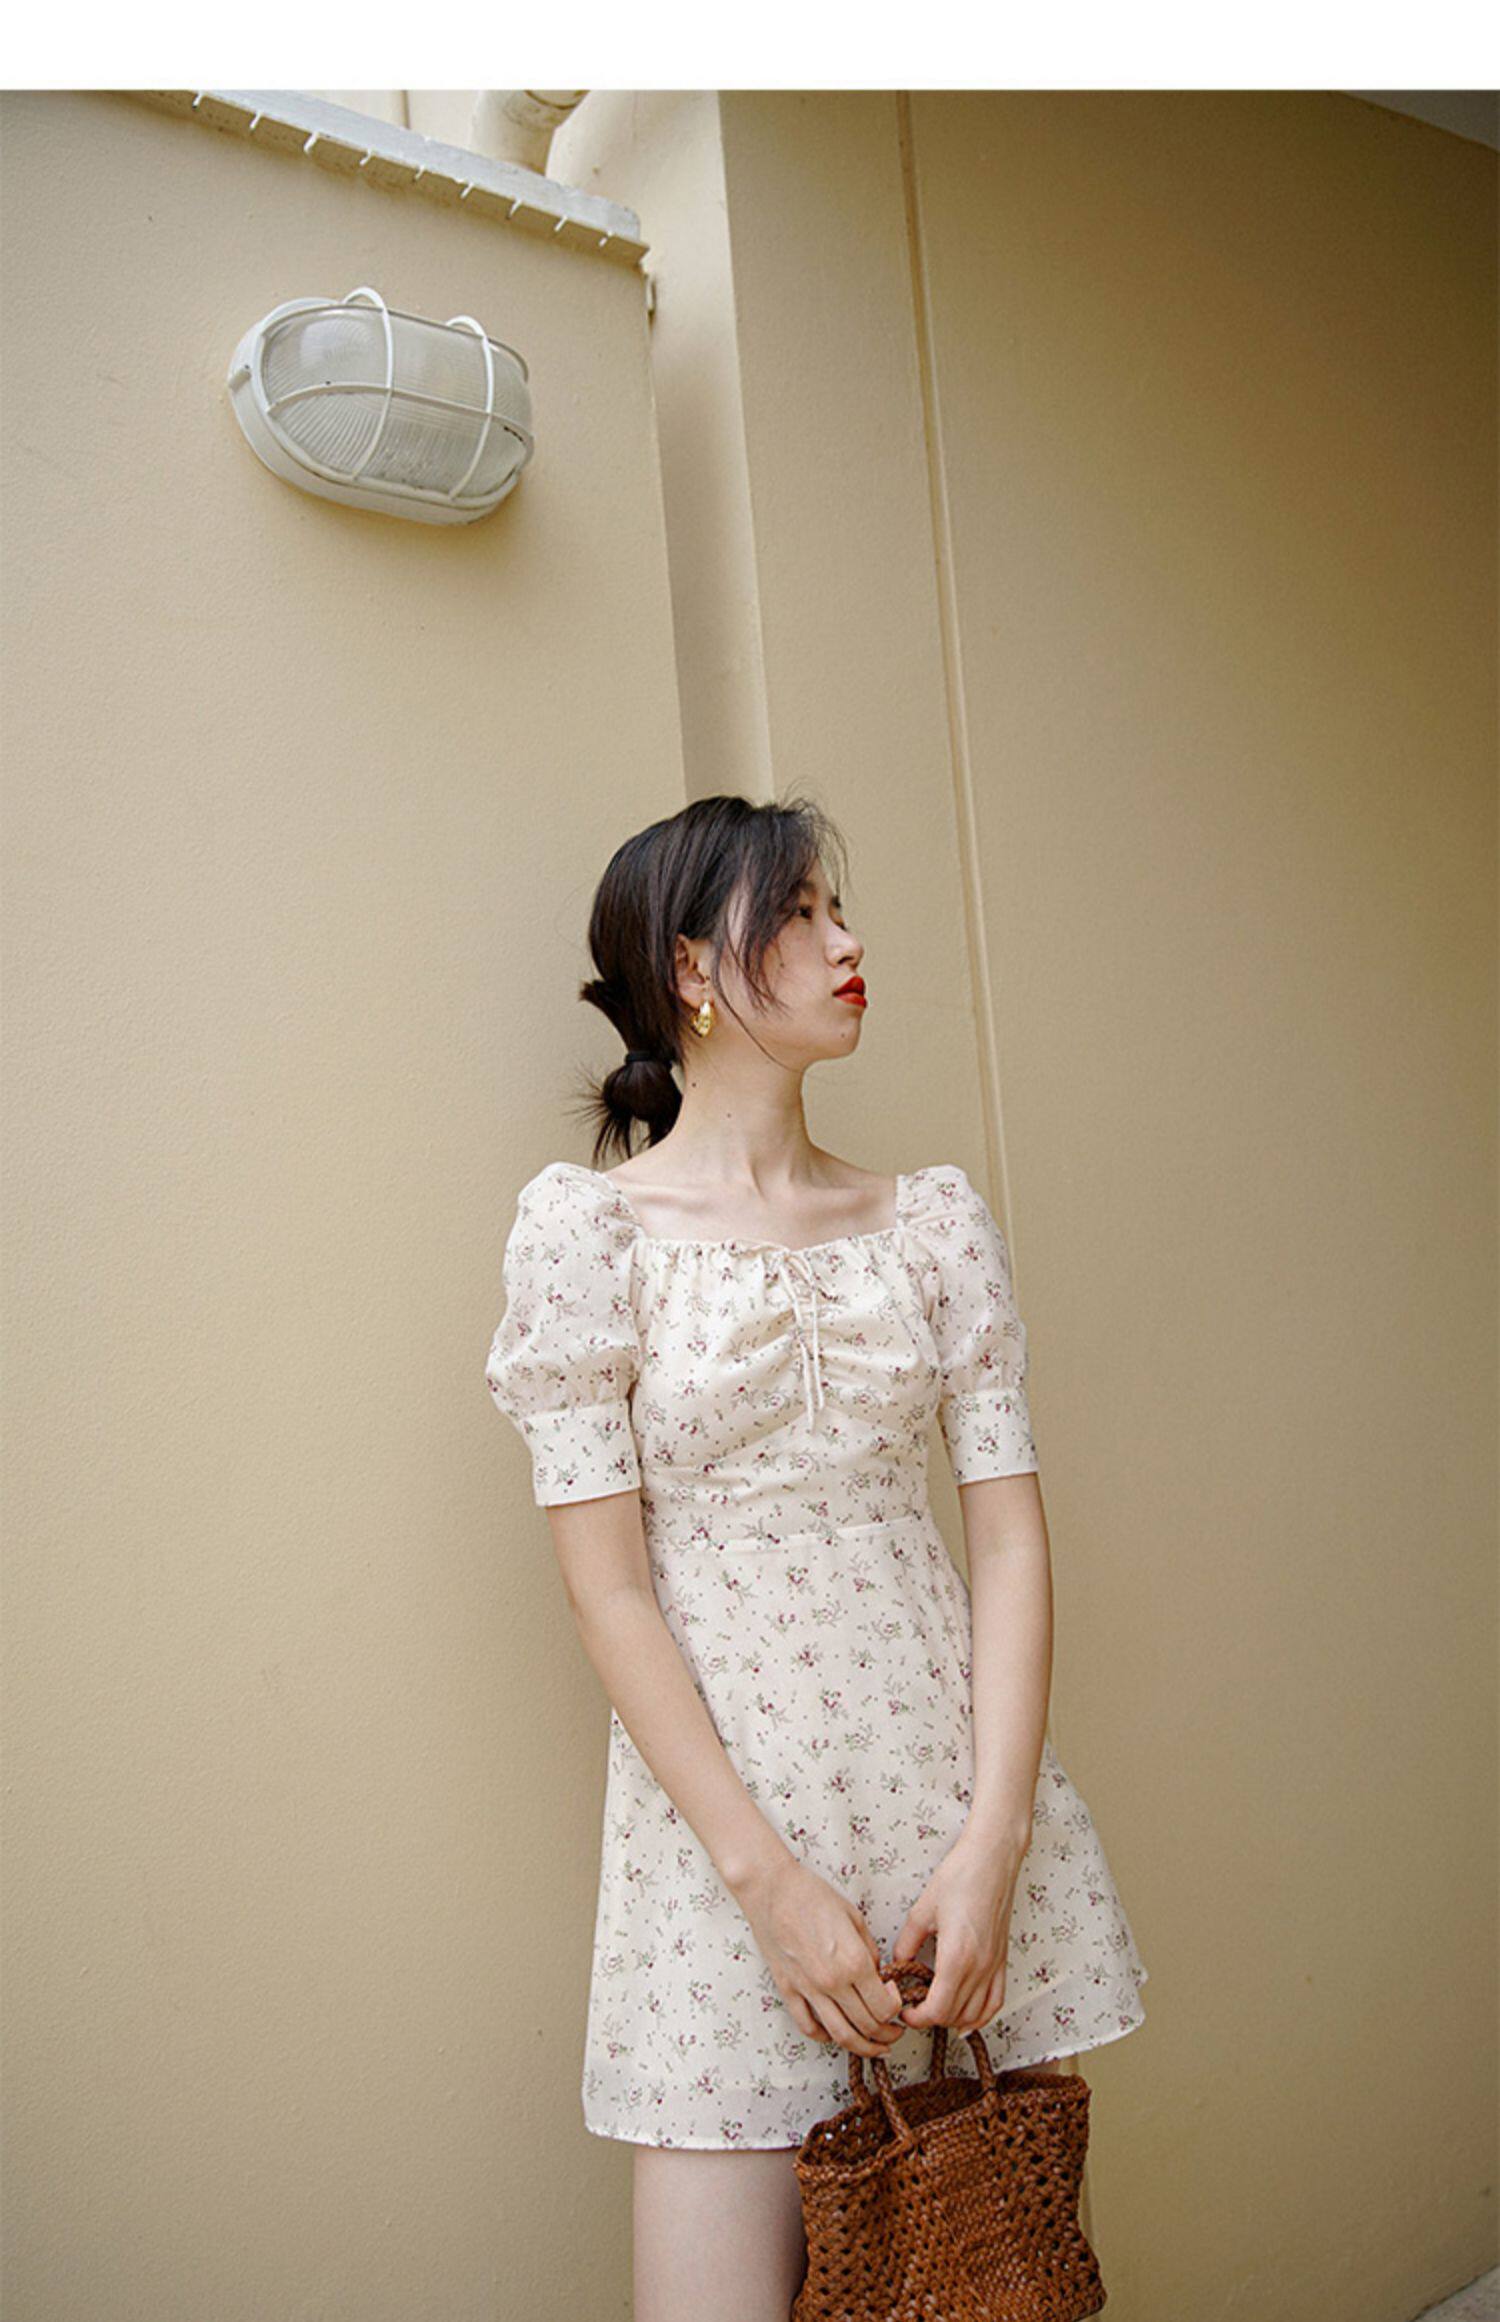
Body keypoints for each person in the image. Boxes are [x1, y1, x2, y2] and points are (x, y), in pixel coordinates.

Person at [484, 793, 1147, 2320]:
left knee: (981, 2285)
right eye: (797, 912)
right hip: (728, 1855)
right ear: (690, 970)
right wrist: (767, 1884)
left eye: (836, 907)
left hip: (953, 1838)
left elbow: (1008, 1541)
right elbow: (608, 1588)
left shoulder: (932, 1225)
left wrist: (992, 1848)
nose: (846, 940)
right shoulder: (588, 1239)